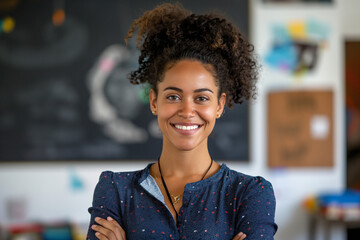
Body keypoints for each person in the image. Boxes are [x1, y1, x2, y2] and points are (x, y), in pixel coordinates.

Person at [87, 3, 277, 240]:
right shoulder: (115, 190)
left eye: (201, 98)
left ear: (219, 105)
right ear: (154, 101)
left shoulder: (250, 194)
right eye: (173, 96)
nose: (187, 110)